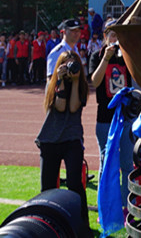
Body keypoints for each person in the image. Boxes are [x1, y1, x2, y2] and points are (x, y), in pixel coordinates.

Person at [36, 50, 91, 236]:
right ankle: (48, 226)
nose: (70, 68)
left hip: (72, 138)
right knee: (48, 187)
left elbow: (73, 106)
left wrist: (75, 81)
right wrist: (59, 80)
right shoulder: (52, 83)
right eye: (66, 64)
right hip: (50, 139)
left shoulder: (81, 84)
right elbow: (59, 107)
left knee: (75, 184)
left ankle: (82, 226)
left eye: (73, 63)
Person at [88, 24, 134, 212]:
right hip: (106, 120)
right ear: (105, 36)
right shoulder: (96, 56)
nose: (115, 38)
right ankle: (106, 208)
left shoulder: (127, 56)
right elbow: (95, 81)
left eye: (118, 34)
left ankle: (126, 208)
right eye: (111, 34)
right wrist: (106, 58)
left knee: (127, 166)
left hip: (126, 118)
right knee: (106, 166)